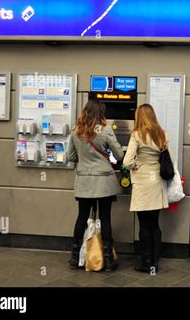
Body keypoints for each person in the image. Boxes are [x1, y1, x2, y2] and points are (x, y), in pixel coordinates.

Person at [67, 99, 124, 271]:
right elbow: (119, 155)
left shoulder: (76, 130)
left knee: (82, 217)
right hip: (104, 181)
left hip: (84, 180)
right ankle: (107, 260)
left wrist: (85, 160)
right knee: (105, 218)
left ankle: (75, 258)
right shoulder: (105, 130)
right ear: (101, 112)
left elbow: (71, 156)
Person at [123, 104, 169, 273]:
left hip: (142, 182)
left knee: (144, 224)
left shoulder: (137, 135)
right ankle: (155, 262)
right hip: (156, 180)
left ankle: (145, 261)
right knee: (154, 224)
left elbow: (127, 162)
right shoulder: (161, 134)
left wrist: (138, 165)